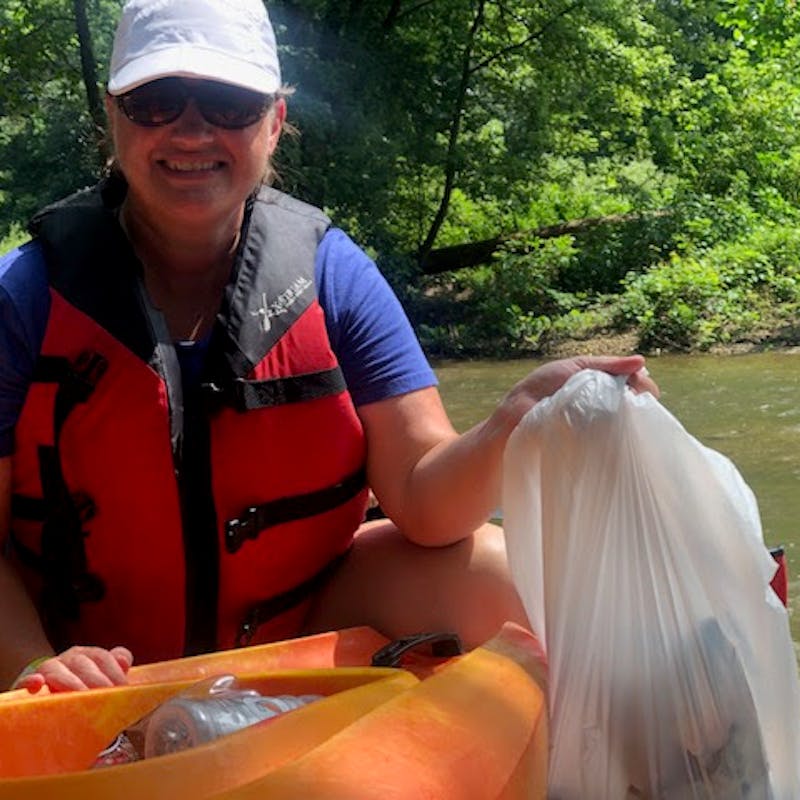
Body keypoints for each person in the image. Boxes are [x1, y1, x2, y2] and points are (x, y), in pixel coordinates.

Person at [0, 0, 657, 693]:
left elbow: (425, 501)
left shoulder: (334, 277)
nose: (191, 131)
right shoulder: (25, 297)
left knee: (494, 572)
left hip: (293, 642)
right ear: (114, 116)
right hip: (84, 664)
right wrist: (33, 664)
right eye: (155, 102)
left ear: (274, 122)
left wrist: (514, 422)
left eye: (229, 103)